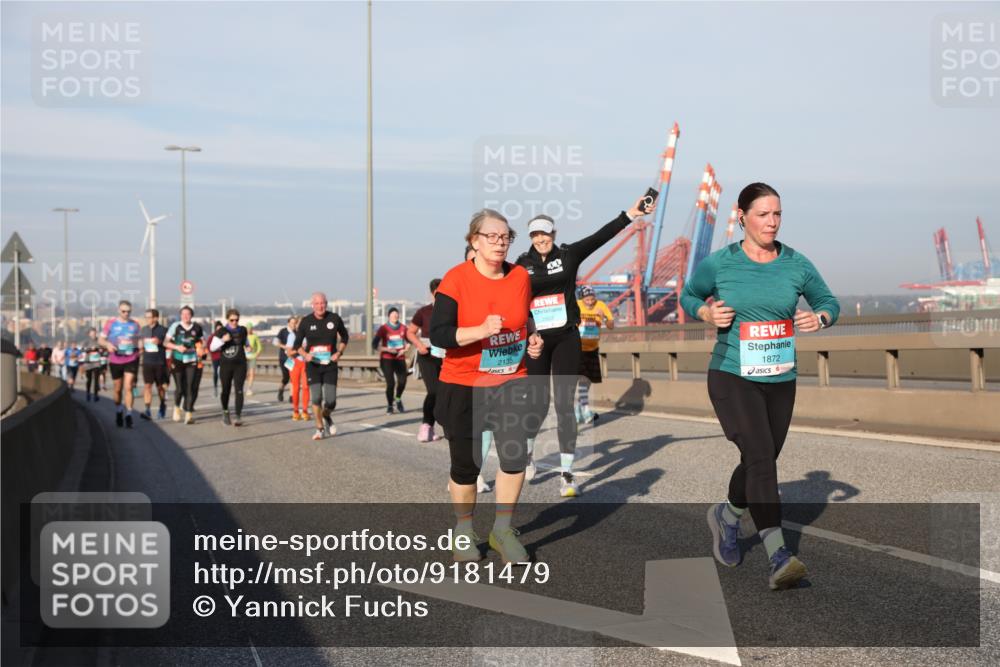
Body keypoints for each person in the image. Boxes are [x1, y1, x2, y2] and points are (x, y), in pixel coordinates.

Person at [680, 182, 840, 591]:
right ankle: (778, 555)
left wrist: (819, 318)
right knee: (762, 459)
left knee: (760, 458)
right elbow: (689, 295)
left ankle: (727, 516)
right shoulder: (721, 263)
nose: (772, 222)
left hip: (780, 378)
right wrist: (706, 313)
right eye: (763, 214)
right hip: (732, 374)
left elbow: (828, 302)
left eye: (777, 214)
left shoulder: (796, 263)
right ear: (742, 217)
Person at [430, 208, 545, 564]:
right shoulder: (456, 279)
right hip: (464, 382)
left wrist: (533, 336)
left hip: (511, 378)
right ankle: (464, 530)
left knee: (515, 457)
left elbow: (525, 314)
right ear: (474, 241)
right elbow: (439, 334)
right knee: (467, 467)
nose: (500, 242)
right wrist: (479, 331)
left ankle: (502, 531)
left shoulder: (520, 276)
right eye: (491, 236)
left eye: (506, 237)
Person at [516, 195, 650, 497]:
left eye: (545, 233)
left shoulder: (569, 255)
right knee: (538, 405)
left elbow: (601, 236)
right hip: (537, 340)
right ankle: (527, 452)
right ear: (530, 237)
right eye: (535, 234)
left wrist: (631, 213)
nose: (540, 239)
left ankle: (567, 474)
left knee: (565, 405)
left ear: (553, 233)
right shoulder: (521, 265)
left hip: (566, 336)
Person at [294, 292, 350, 441]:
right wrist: (305, 355)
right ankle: (319, 428)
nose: (320, 306)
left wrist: (339, 352)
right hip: (313, 365)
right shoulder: (306, 321)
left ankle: (326, 415)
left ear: (326, 304)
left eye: (322, 303)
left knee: (331, 401)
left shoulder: (334, 318)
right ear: (312, 305)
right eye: (317, 303)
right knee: (316, 397)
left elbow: (345, 337)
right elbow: (297, 345)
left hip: (330, 364)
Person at [406, 279, 445, 442]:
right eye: (438, 293)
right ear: (433, 293)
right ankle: (426, 425)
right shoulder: (424, 312)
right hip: (427, 356)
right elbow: (410, 332)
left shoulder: (452, 310)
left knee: (446, 393)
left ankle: (443, 425)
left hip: (446, 357)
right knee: (434, 391)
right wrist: (419, 345)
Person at [575, 285, 614, 424]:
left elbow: (611, 326)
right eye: (587, 300)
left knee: (587, 381)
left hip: (593, 348)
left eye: (592, 299)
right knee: (582, 379)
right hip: (578, 348)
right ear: (582, 299)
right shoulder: (576, 305)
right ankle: (584, 409)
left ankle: (579, 408)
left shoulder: (601, 305)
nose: (590, 302)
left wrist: (604, 318)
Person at [100, 300, 141, 428]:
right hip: (115, 359)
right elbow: (100, 339)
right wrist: (108, 344)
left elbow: (139, 340)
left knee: (128, 386)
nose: (126, 314)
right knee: (117, 388)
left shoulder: (135, 324)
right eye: (123, 311)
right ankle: (119, 410)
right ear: (119, 311)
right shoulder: (111, 323)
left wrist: (141, 347)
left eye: (128, 312)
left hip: (131, 358)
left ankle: (129, 414)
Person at [164, 306, 204, 424]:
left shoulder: (197, 327)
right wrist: (176, 347)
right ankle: (177, 407)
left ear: (191, 316)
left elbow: (202, 342)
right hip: (178, 360)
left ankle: (188, 414)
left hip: (191, 360)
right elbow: (165, 342)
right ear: (180, 315)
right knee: (180, 388)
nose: (186, 316)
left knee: (190, 387)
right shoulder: (175, 326)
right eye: (183, 314)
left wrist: (201, 347)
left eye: (188, 314)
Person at [211, 309, 250, 426]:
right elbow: (212, 347)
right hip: (226, 365)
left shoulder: (242, 330)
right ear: (227, 319)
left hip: (240, 364)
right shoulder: (222, 331)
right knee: (226, 390)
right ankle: (225, 411)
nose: (234, 322)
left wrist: (248, 346)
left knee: (239, 390)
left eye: (236, 320)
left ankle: (238, 416)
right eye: (232, 320)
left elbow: (245, 341)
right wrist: (223, 340)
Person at [376, 307, 410, 414]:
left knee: (402, 382)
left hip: (400, 358)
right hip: (387, 359)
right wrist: (387, 349)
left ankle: (398, 398)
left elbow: (410, 341)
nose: (395, 316)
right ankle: (390, 405)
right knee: (391, 383)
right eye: (393, 314)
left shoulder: (403, 328)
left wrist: (404, 350)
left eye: (396, 314)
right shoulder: (383, 328)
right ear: (389, 316)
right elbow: (375, 345)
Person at [139, 308, 169, 420]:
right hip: (147, 361)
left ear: (156, 318)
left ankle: (162, 405)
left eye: (149, 317)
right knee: (147, 385)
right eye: (146, 317)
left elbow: (169, 343)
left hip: (159, 362)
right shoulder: (143, 330)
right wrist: (140, 347)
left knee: (160, 386)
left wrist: (160, 342)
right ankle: (147, 410)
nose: (147, 319)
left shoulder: (163, 330)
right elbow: (140, 344)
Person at [282, 319, 311, 421]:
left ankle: (305, 411)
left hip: (306, 363)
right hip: (295, 362)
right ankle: (295, 411)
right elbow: (289, 353)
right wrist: (300, 349)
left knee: (306, 387)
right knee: (296, 387)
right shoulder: (292, 336)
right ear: (297, 325)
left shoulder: (308, 335)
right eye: (299, 323)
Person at [273, 316, 297, 403]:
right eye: (292, 323)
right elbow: (275, 342)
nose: (294, 325)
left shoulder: (297, 332)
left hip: (292, 358)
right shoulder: (283, 331)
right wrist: (285, 347)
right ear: (288, 323)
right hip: (283, 358)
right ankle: (281, 390)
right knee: (286, 377)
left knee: (292, 377)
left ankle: (291, 396)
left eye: (295, 323)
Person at [82, 329, 102, 401]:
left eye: (94, 333)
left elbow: (103, 349)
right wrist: (90, 349)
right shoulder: (86, 341)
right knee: (89, 379)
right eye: (92, 333)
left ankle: (96, 395)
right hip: (88, 362)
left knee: (96, 379)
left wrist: (100, 349)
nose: (93, 334)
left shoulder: (99, 341)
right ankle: (88, 393)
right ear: (89, 334)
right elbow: (82, 349)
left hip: (96, 362)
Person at [205, 321, 224, 397]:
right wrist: (212, 351)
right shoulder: (212, 336)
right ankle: (215, 387)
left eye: (220, 329)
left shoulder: (224, 336)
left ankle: (223, 388)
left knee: (223, 373)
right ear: (216, 329)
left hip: (223, 357)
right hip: (215, 357)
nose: (219, 330)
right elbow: (208, 345)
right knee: (216, 372)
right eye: (218, 329)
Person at [244, 322, 263, 396]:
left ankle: (249, 389)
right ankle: (241, 387)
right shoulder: (243, 336)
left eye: (250, 328)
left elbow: (259, 347)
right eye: (247, 328)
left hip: (252, 357)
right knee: (244, 374)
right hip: (244, 358)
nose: (249, 330)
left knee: (251, 374)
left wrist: (257, 354)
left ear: (252, 329)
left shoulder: (255, 336)